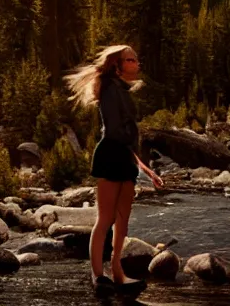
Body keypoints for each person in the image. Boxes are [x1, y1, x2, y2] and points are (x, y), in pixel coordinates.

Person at [65, 45, 164, 297]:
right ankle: (98, 276)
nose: (136, 63)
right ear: (117, 66)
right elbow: (113, 131)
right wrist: (131, 143)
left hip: (125, 157)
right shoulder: (110, 89)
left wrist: (147, 170)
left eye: (136, 59)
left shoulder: (122, 90)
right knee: (106, 219)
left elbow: (127, 136)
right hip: (111, 155)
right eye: (130, 60)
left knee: (122, 221)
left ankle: (118, 273)